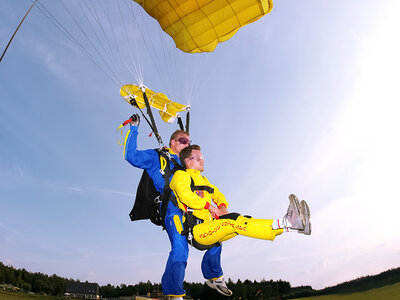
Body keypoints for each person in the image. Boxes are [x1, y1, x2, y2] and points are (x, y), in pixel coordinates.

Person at [169, 145, 311, 297]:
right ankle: (287, 222)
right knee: (234, 221)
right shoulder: (180, 175)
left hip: (212, 229)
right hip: (198, 232)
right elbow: (185, 196)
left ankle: (293, 226)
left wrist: (222, 206)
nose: (203, 160)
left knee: (243, 221)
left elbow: (218, 195)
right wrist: (209, 206)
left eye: (202, 157)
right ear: (188, 161)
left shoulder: (205, 180)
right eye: (198, 157)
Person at [124, 115, 223, 300]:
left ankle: (214, 276)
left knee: (216, 234)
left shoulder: (187, 166)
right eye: (183, 141)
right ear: (173, 142)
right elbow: (131, 156)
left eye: (189, 141)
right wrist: (134, 128)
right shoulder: (157, 156)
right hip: (170, 208)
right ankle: (174, 293)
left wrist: (218, 205)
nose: (187, 144)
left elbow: (204, 187)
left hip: (191, 208)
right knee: (180, 247)